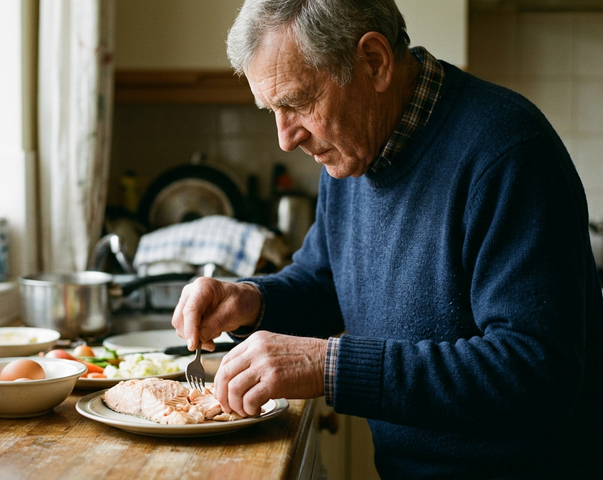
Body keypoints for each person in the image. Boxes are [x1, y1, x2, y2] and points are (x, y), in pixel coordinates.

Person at [170, 0, 603, 478]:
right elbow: (325, 282)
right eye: (273, 110)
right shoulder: (351, 148)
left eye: (297, 103)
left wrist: (329, 366)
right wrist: (249, 300)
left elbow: (537, 373)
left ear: (374, 62)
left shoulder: (508, 152)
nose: (286, 139)